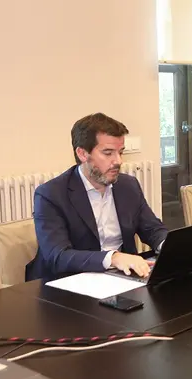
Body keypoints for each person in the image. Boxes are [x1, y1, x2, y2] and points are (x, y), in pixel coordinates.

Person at [26, 113, 168, 281]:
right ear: (82, 154)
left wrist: (169, 246)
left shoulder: (127, 186)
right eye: (108, 153)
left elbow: (152, 229)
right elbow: (58, 256)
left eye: (120, 152)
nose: (118, 161)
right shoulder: (51, 194)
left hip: (120, 279)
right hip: (66, 284)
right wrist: (113, 258)